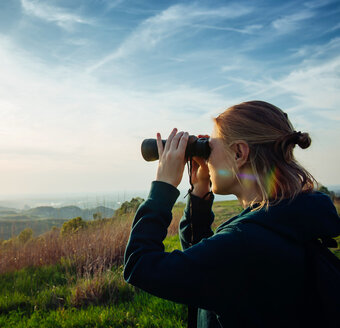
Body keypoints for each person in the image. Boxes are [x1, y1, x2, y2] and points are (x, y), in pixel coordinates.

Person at [123, 101, 340, 328]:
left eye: (210, 148)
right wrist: (200, 191)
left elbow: (140, 265)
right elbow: (208, 264)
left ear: (238, 153)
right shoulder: (285, 222)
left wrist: (163, 186)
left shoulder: (244, 242)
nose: (207, 158)